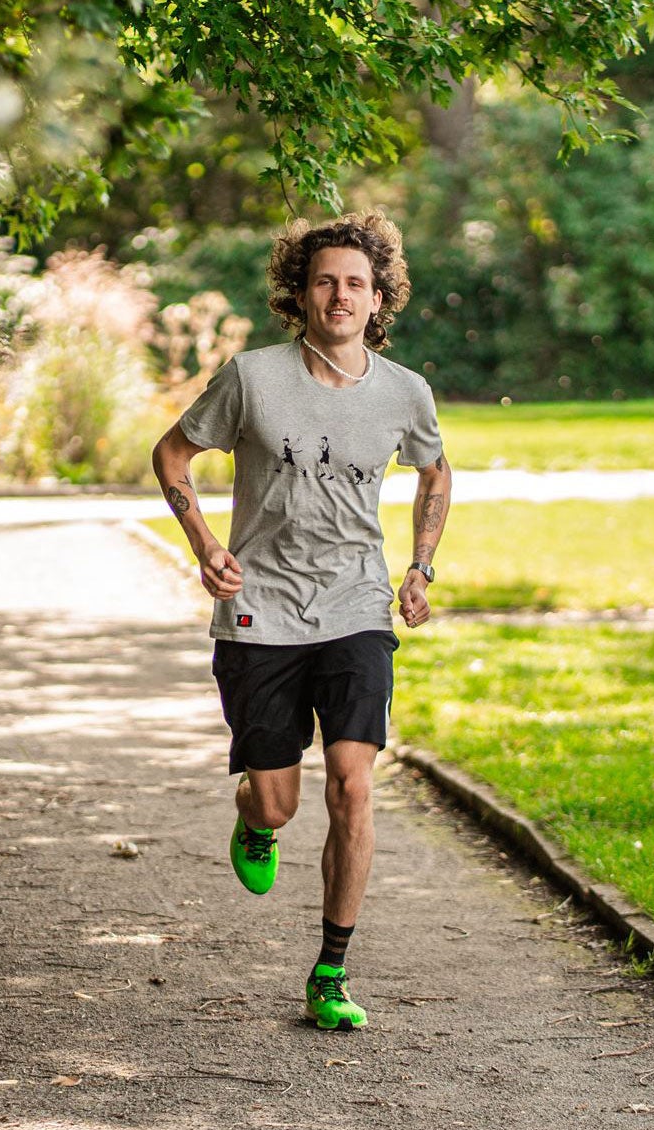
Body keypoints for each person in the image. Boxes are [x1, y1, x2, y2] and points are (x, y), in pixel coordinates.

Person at [149, 212, 452, 1031]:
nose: (340, 294)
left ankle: (330, 971)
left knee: (354, 786)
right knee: (279, 803)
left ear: (379, 295)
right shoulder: (251, 378)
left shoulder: (403, 392)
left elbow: (434, 472)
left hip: (356, 606)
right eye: (325, 280)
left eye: (356, 281)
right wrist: (205, 543)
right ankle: (255, 821)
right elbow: (171, 454)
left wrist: (420, 566)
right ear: (300, 291)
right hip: (260, 612)